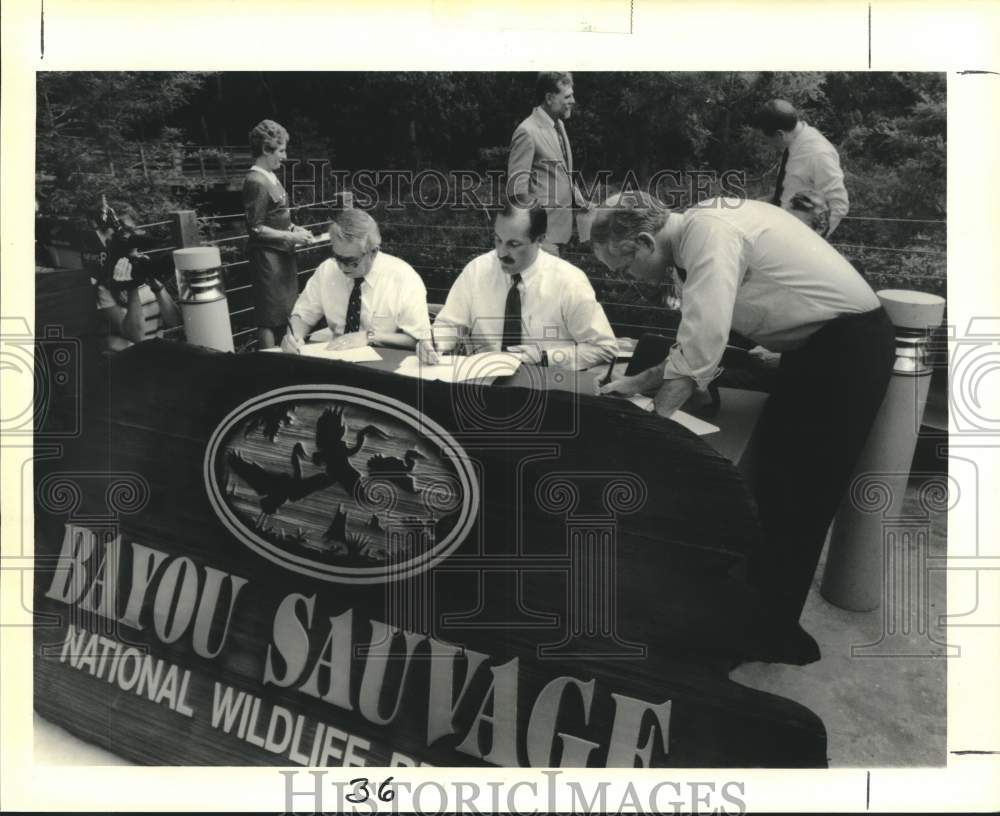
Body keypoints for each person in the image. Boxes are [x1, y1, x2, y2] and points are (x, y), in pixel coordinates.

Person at [590, 193, 893, 663]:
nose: (627, 280)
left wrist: (649, 438)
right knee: (773, 484)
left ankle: (772, 637)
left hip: (846, 352)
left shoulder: (709, 235)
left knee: (801, 498)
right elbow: (694, 339)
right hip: (815, 350)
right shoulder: (698, 228)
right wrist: (638, 380)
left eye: (624, 268)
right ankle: (754, 613)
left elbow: (700, 354)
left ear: (646, 241)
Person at [418, 202, 616, 369]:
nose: (501, 253)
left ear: (540, 240)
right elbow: (450, 324)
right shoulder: (477, 270)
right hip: (484, 387)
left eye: (513, 244)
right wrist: (434, 342)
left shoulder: (569, 281)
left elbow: (603, 348)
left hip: (549, 389)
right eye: (497, 240)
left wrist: (545, 357)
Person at [281, 209, 431, 352]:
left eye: (350, 261)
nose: (341, 267)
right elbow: (304, 315)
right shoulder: (328, 270)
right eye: (338, 258)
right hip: (337, 357)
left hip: (386, 361)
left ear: (373, 252)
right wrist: (294, 336)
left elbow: (418, 340)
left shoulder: (402, 278)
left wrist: (369, 337)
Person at [244, 119, 313, 349]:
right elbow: (255, 227)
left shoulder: (271, 176)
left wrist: (294, 229)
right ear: (266, 150)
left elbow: (277, 216)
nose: (284, 156)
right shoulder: (255, 181)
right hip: (267, 260)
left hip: (283, 257)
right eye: (281, 150)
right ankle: (268, 363)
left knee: (285, 312)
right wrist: (290, 237)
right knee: (268, 317)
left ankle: (288, 355)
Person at [507, 72, 591, 255]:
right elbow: (516, 192)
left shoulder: (559, 125)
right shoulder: (527, 132)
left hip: (561, 235)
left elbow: (560, 173)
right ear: (549, 98)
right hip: (541, 239)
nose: (573, 101)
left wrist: (581, 202)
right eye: (567, 96)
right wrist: (530, 235)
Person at [81, 199, 181, 352]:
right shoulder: (105, 284)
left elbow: (174, 321)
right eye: (121, 234)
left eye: (131, 231)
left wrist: (157, 287)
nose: (128, 238)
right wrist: (132, 287)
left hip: (158, 354)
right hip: (132, 360)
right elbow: (137, 337)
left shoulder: (144, 263)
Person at [757, 99, 849, 236]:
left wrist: (810, 241)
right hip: (781, 228)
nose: (769, 145)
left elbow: (838, 205)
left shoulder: (818, 154)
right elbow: (793, 188)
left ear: (780, 134)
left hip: (799, 237)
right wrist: (762, 203)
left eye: (767, 140)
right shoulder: (794, 143)